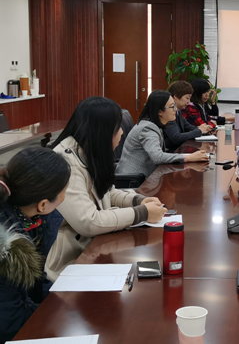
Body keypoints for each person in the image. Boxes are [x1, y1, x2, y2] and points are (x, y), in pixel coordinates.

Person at [46, 97, 167, 280]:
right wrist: (142, 213)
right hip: (72, 261)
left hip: (95, 248)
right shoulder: (66, 163)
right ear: (101, 131)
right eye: (117, 128)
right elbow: (88, 222)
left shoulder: (88, 150)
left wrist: (138, 200)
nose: (122, 133)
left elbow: (107, 191)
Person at [0, 148, 71, 343]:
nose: (65, 197)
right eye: (64, 192)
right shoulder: (8, 248)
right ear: (43, 205)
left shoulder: (29, 220)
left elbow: (32, 286)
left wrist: (62, 306)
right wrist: (54, 325)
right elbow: (8, 320)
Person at [116, 90, 209, 178]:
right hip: (134, 181)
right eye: (172, 106)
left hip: (146, 178)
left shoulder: (155, 125)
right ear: (160, 112)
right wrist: (189, 157)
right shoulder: (147, 128)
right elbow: (157, 157)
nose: (175, 109)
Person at [165, 81, 212, 152]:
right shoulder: (168, 113)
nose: (189, 102)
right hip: (170, 152)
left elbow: (188, 127)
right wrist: (199, 131)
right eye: (187, 98)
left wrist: (204, 129)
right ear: (176, 97)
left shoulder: (178, 111)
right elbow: (176, 137)